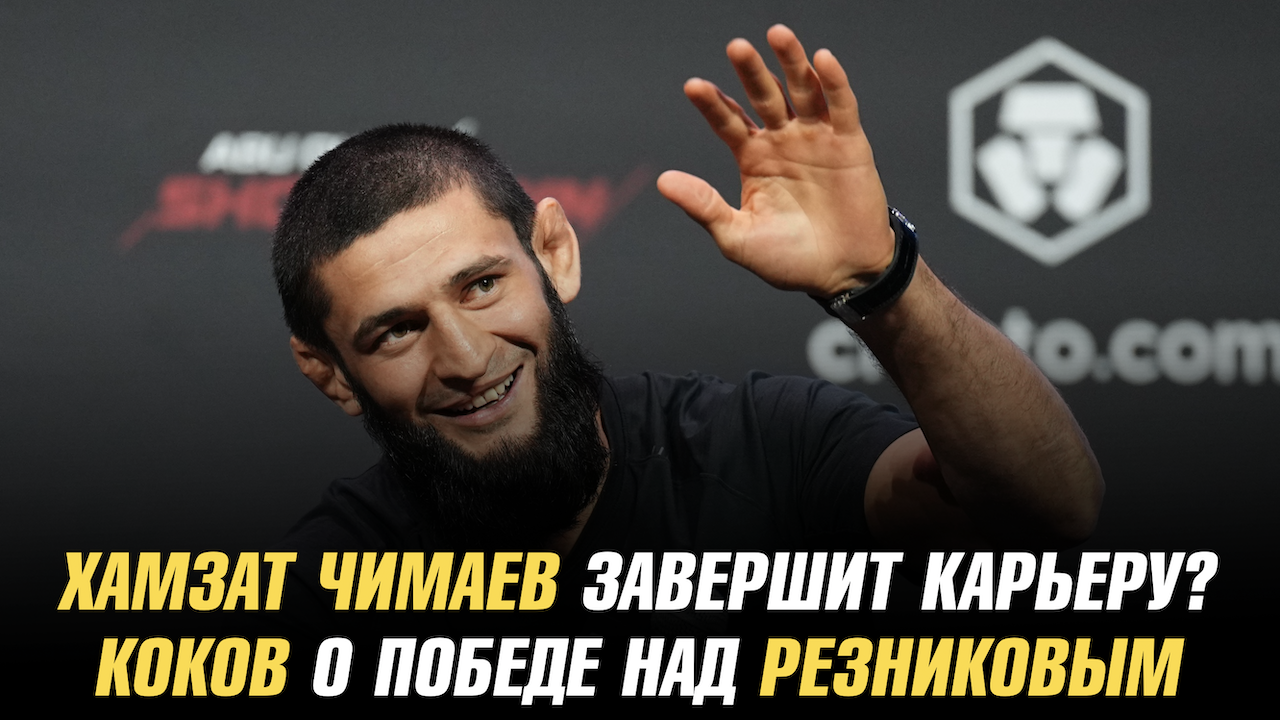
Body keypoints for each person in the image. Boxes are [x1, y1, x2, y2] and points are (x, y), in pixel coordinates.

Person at [271, 26, 1102, 626]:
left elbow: (1051, 513)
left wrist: (882, 280)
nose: (463, 356)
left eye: (483, 286)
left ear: (554, 253)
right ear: (330, 372)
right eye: (396, 332)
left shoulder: (760, 446)